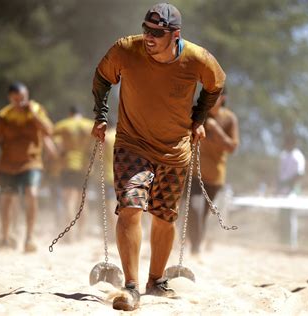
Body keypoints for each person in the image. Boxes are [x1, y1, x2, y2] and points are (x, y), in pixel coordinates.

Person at [90, 3, 225, 311]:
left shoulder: (197, 59)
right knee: (131, 208)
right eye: (146, 30)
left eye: (157, 33)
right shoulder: (126, 49)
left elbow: (215, 85)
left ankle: (156, 281)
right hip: (131, 143)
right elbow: (101, 77)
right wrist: (100, 115)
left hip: (175, 150)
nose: (148, 37)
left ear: (175, 35)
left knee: (164, 217)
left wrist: (199, 118)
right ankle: (132, 287)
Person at [0, 82, 53, 252]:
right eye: (16, 99)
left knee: (32, 194)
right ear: (10, 98)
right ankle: (5, 237)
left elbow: (49, 130)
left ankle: (29, 237)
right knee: (6, 200)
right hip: (7, 165)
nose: (20, 102)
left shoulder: (37, 110)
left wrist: (34, 116)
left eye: (23, 98)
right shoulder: (3, 116)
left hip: (31, 163)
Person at [187, 88, 239, 255]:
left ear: (222, 98)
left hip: (215, 177)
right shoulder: (197, 114)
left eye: (213, 97)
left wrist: (216, 129)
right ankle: (193, 247)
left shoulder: (229, 119)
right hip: (193, 173)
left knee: (203, 215)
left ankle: (197, 245)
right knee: (194, 208)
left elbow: (232, 147)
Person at [53, 106, 94, 238]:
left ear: (70, 113)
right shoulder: (89, 125)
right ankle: (81, 234)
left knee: (69, 200)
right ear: (81, 114)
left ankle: (69, 234)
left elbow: (55, 141)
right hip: (85, 167)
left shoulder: (63, 125)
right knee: (83, 201)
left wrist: (57, 157)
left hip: (67, 165)